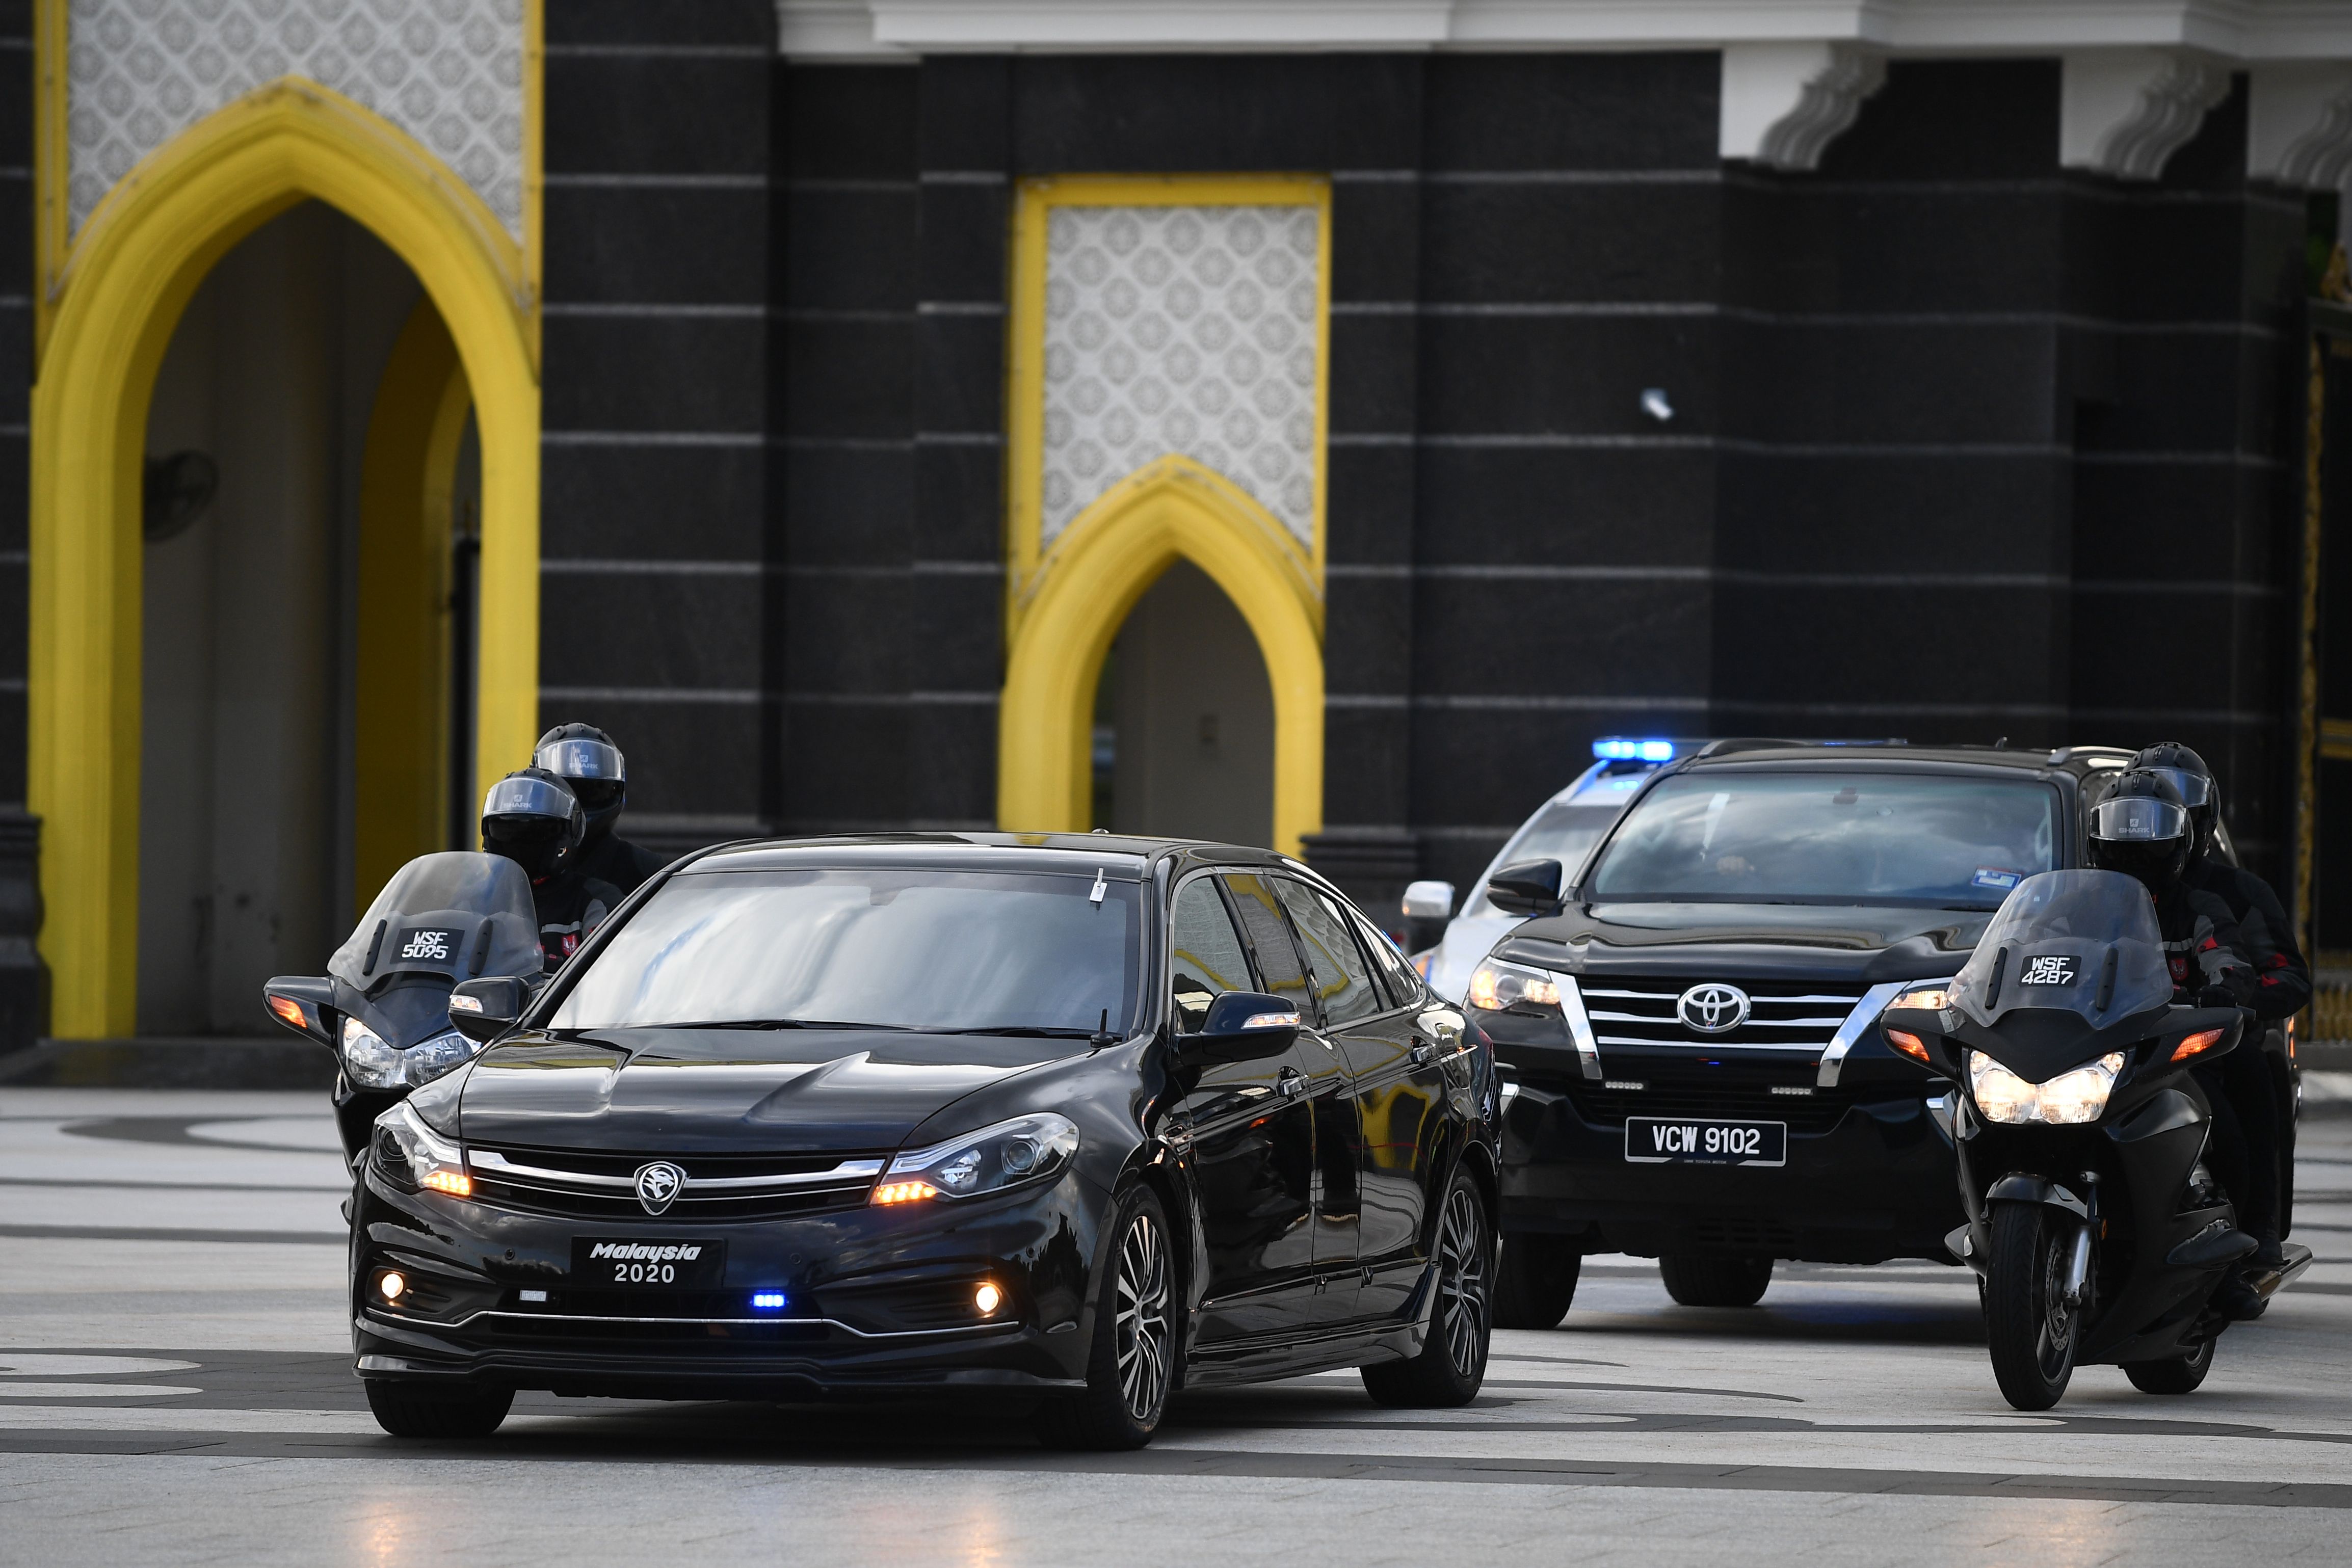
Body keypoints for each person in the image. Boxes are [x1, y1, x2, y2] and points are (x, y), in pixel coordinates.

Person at [2086, 767, 2265, 1320]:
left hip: (2169, 1059)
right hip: (2089, 1057)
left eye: (2149, 836)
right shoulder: (2081, 909)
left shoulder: (2199, 908)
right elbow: (2031, 951)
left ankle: (2227, 1263)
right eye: (2122, 835)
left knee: (2227, 1137)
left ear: (2180, 841)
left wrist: (2224, 987)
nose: (2135, 850)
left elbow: (2227, 959)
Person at [2135, 742, 2308, 1273]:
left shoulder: (2236, 894)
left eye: (2179, 800)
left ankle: (2254, 1229)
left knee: (2255, 1073)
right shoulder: (2106, 893)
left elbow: (2287, 974)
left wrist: (2234, 1000)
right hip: (2126, 1040)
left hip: (2215, 1040)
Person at [480, 767, 622, 972]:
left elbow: (609, 970)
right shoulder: (474, 900)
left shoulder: (596, 901)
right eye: (507, 832)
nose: (521, 844)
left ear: (571, 831)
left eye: (537, 833)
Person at [534, 723, 667, 895]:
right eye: (568, 791)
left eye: (593, 790)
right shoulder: (525, 863)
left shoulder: (644, 869)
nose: (578, 806)